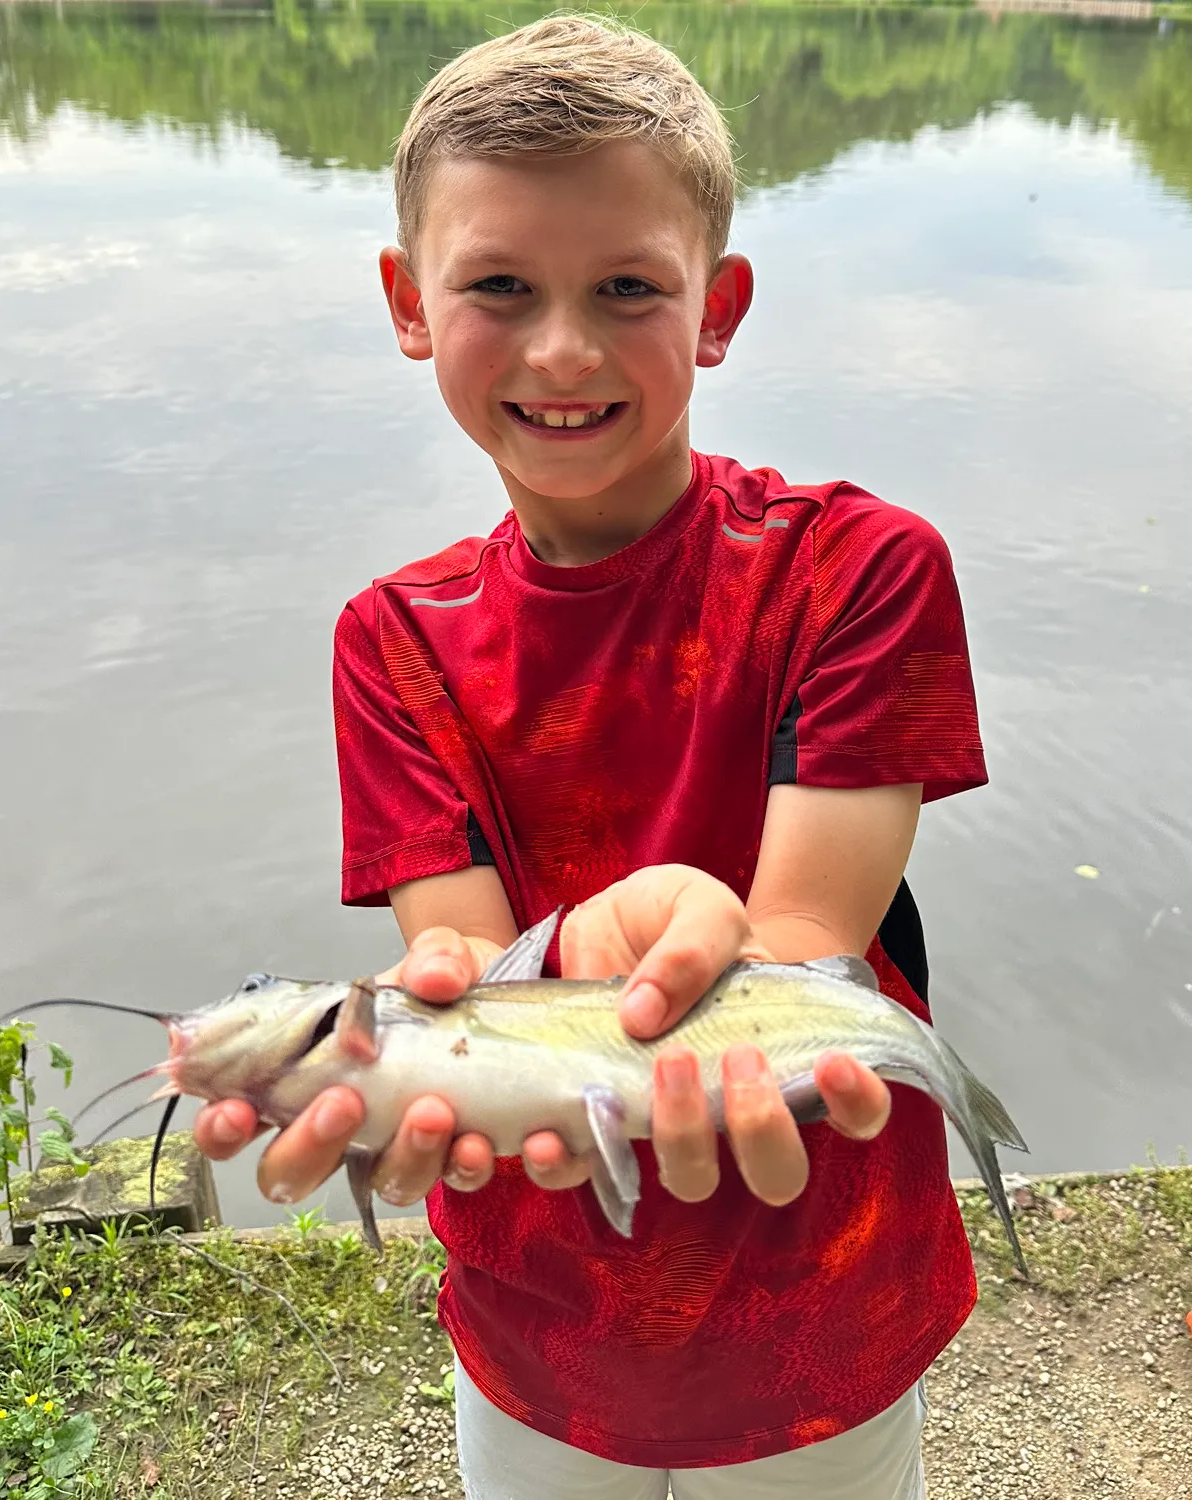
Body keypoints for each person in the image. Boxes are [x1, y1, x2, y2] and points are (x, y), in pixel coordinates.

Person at [194, 16, 989, 1498]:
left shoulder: (860, 569)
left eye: (628, 288)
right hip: (538, 1332)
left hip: (825, 1305)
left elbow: (803, 947)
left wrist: (616, 967)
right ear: (408, 302)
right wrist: (519, 979)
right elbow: (463, 968)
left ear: (718, 307)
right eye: (499, 285)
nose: (563, 348)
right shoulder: (392, 641)